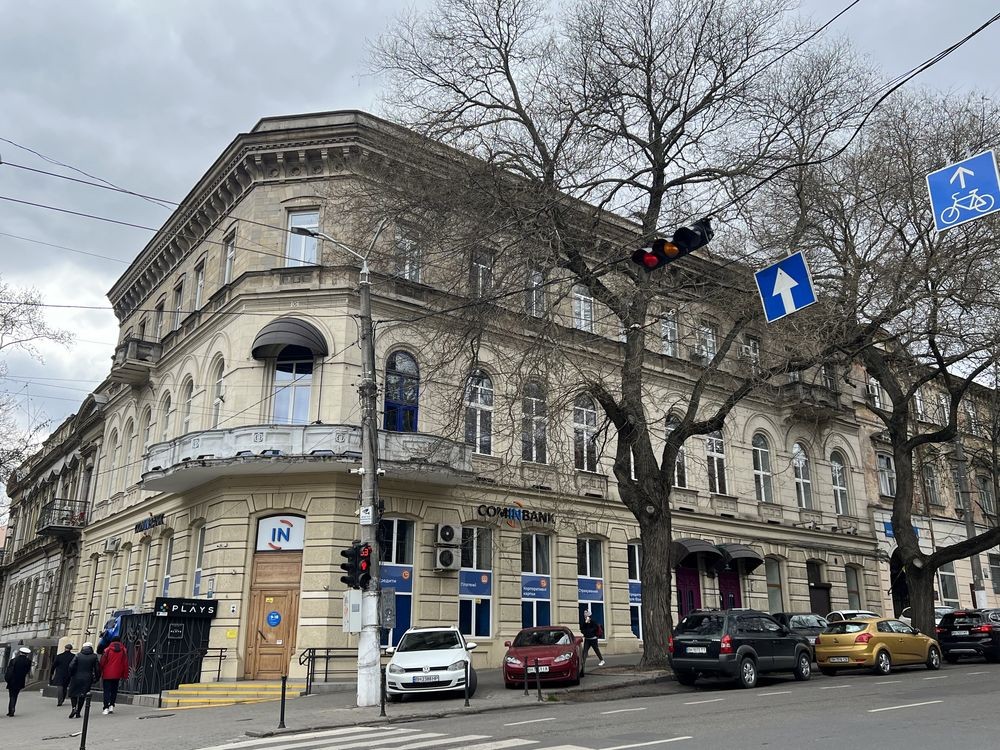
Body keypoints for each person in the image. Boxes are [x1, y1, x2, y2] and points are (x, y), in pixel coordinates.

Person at [66, 642, 100, 719]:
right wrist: (96, 678)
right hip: (87, 678)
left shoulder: (78, 655)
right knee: (83, 695)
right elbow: (97, 669)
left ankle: (73, 708)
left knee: (73, 693)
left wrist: (71, 674)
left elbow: (71, 666)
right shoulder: (94, 656)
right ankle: (78, 712)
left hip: (76, 677)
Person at [98, 637, 128, 714]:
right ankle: (111, 705)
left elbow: (102, 662)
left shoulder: (107, 650)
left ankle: (106, 707)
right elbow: (125, 663)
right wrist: (125, 674)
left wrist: (100, 671)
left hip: (107, 674)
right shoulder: (123, 650)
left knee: (106, 691)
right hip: (117, 674)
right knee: (114, 690)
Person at [4, 646, 33, 716]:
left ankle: (11, 710)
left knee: (11, 695)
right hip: (20, 681)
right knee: (15, 695)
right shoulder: (28, 662)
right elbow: (27, 671)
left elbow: (8, 670)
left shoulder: (13, 660)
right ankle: (12, 709)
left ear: (20, 652)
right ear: (27, 654)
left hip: (12, 680)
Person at [580, 611, 605, 676]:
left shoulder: (593, 622)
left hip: (593, 639)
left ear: (589, 617)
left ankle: (602, 660)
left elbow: (595, 628)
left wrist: (588, 631)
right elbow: (582, 628)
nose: (585, 617)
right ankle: (583, 664)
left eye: (586, 616)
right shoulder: (585, 622)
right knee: (585, 651)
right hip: (587, 639)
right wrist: (585, 623)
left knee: (596, 650)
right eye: (585, 616)